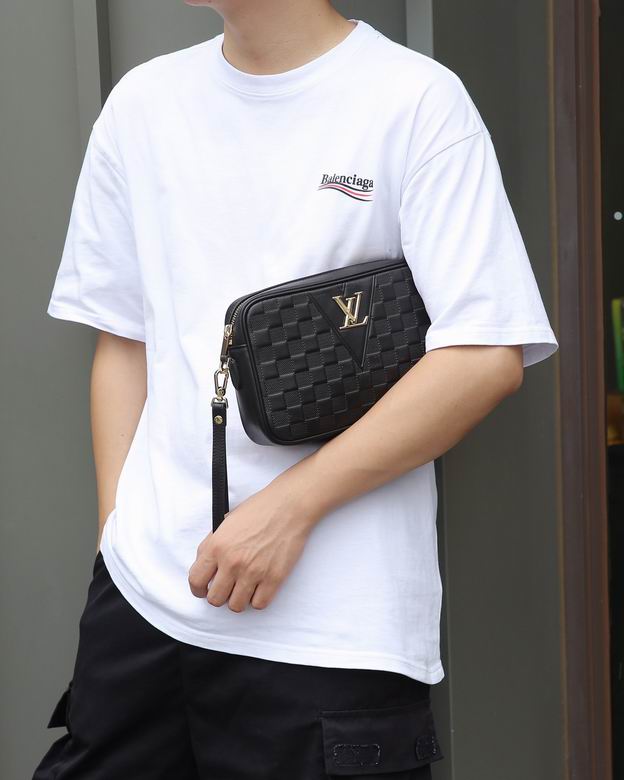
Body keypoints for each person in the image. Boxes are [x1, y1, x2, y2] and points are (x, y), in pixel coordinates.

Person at [32, 1, 559, 778]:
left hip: (332, 630)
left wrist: (288, 510)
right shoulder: (142, 104)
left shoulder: (414, 100)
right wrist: (120, 536)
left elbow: (483, 354)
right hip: (143, 606)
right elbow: (124, 338)